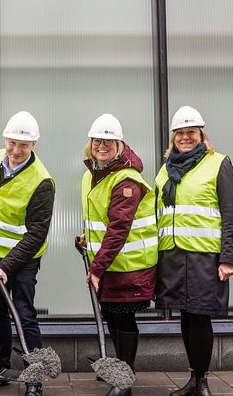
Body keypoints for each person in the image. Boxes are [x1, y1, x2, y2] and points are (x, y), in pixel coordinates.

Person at [155, 106, 233, 396]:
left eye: (191, 132)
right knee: (186, 317)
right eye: (180, 133)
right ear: (173, 138)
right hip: (173, 256)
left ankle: (202, 382)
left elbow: (230, 214)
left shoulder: (218, 164)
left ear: (201, 135)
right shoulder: (166, 170)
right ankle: (192, 379)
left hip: (205, 256)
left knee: (201, 317)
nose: (185, 137)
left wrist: (228, 258)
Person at [0, 111, 55, 396]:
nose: (17, 150)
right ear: (5, 139)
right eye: (12, 143)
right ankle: (0, 370)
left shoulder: (42, 181)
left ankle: (35, 379)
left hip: (22, 262)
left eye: (24, 145)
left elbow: (36, 235)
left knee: (24, 316)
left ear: (34, 145)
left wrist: (8, 266)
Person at [79, 114, 158, 396]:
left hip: (129, 265)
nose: (102, 145)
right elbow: (102, 219)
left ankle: (124, 380)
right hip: (110, 262)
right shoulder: (92, 174)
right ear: (91, 143)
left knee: (123, 318)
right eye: (98, 140)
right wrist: (88, 238)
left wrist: (97, 269)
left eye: (109, 141)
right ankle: (119, 370)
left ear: (119, 144)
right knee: (112, 315)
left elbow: (119, 229)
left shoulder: (126, 180)